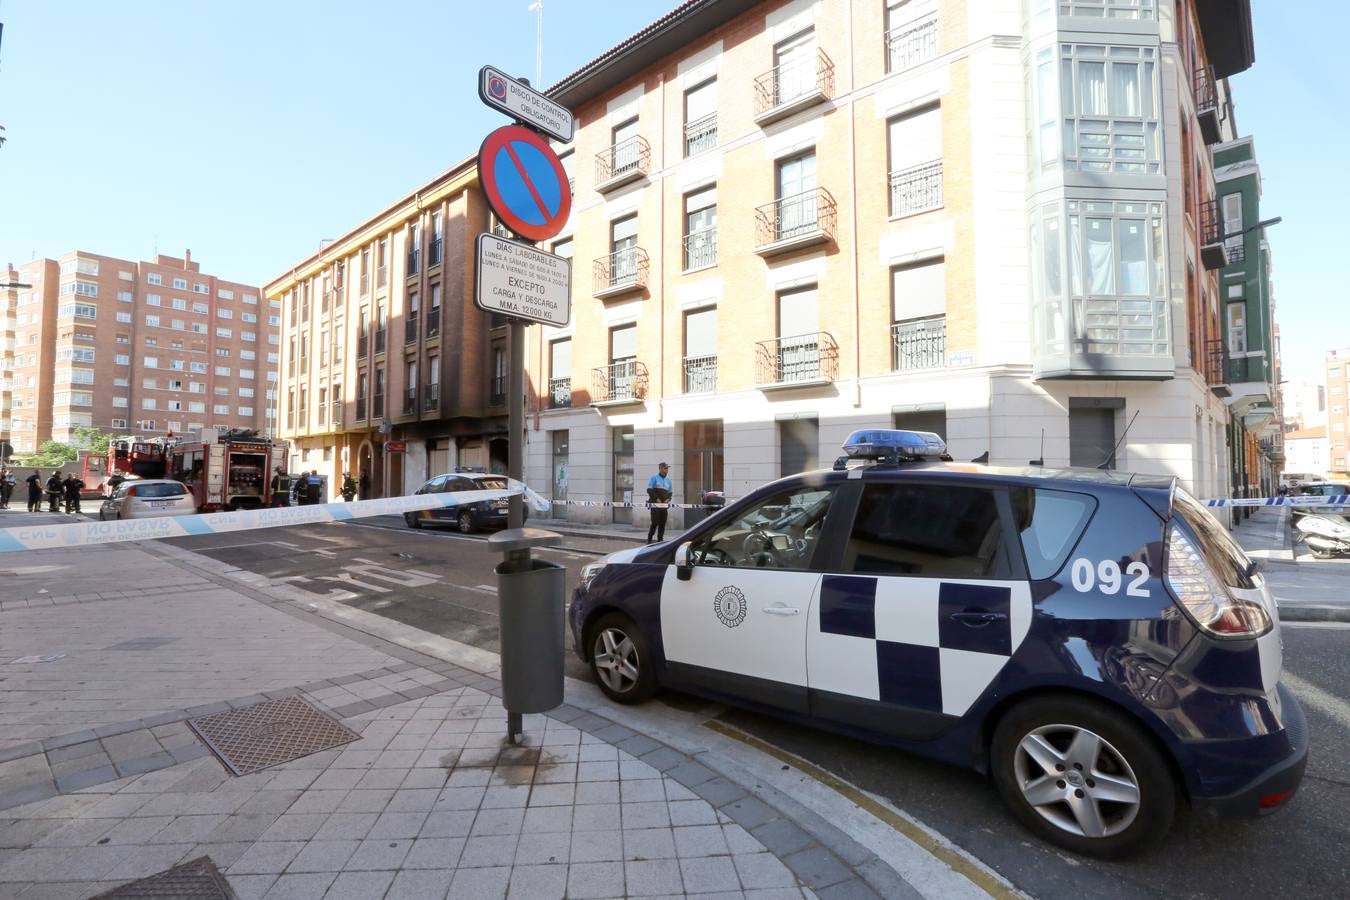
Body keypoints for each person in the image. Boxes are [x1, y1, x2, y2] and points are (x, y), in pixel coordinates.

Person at [646, 461, 673, 544]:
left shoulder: (668, 480)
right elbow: (649, 490)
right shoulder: (654, 477)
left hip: (664, 505)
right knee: (655, 522)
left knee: (662, 523)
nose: (667, 470)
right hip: (655, 504)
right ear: (660, 469)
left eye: (667, 468)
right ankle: (649, 539)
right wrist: (657, 499)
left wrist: (668, 499)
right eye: (665, 468)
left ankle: (660, 540)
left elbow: (670, 493)